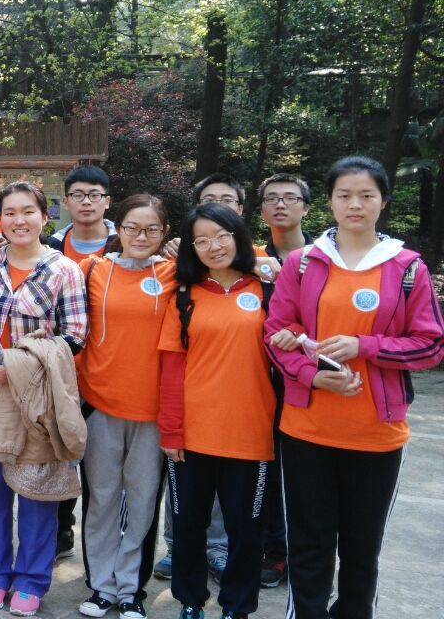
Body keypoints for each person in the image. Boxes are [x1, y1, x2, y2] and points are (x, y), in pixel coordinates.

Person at [264, 157, 443, 619]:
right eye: (344, 195)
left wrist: (364, 345)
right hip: (307, 429)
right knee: (309, 544)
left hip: (376, 433)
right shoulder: (303, 263)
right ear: (329, 202)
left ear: (384, 201)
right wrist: (310, 374)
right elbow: (275, 332)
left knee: (362, 550)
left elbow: (430, 345)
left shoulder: (407, 267)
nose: (355, 204)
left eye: (366, 195)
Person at [0, 181, 88, 617]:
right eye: (10, 212)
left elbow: (74, 337)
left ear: (44, 216)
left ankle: (32, 579)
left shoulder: (64, 271)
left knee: (38, 496)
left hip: (37, 405)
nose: (19, 220)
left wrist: (18, 366)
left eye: (28, 211)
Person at [158, 203, 275, 619]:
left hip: (251, 431)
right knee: (189, 524)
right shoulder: (184, 296)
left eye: (223, 235)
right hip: (193, 434)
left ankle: (237, 607)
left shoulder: (266, 289)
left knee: (247, 530)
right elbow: (172, 367)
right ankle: (190, 601)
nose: (214, 246)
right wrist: (171, 431)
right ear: (191, 248)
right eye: (202, 240)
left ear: (239, 236)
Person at [74, 194, 174, 619]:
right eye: (132, 227)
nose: (141, 236)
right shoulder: (93, 269)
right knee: (101, 499)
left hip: (153, 411)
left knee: (143, 501)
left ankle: (131, 588)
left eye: (152, 229)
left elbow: (238, 258)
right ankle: (101, 585)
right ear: (119, 228)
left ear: (165, 233)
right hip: (100, 404)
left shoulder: (175, 273)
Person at [46, 164, 117, 561]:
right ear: (67, 201)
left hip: (110, 370)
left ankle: (105, 543)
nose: (86, 202)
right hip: (64, 371)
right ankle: (61, 530)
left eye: (94, 194)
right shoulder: (51, 246)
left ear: (107, 201)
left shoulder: (127, 244)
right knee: (60, 456)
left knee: (103, 467)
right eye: (77, 194)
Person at [252, 172, 312, 589]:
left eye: (290, 198)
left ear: (306, 207)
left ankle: (306, 551)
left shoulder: (324, 258)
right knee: (269, 466)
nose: (280, 205)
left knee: (308, 470)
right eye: (271, 198)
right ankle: (275, 550)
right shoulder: (251, 259)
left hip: (310, 379)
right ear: (260, 210)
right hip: (261, 379)